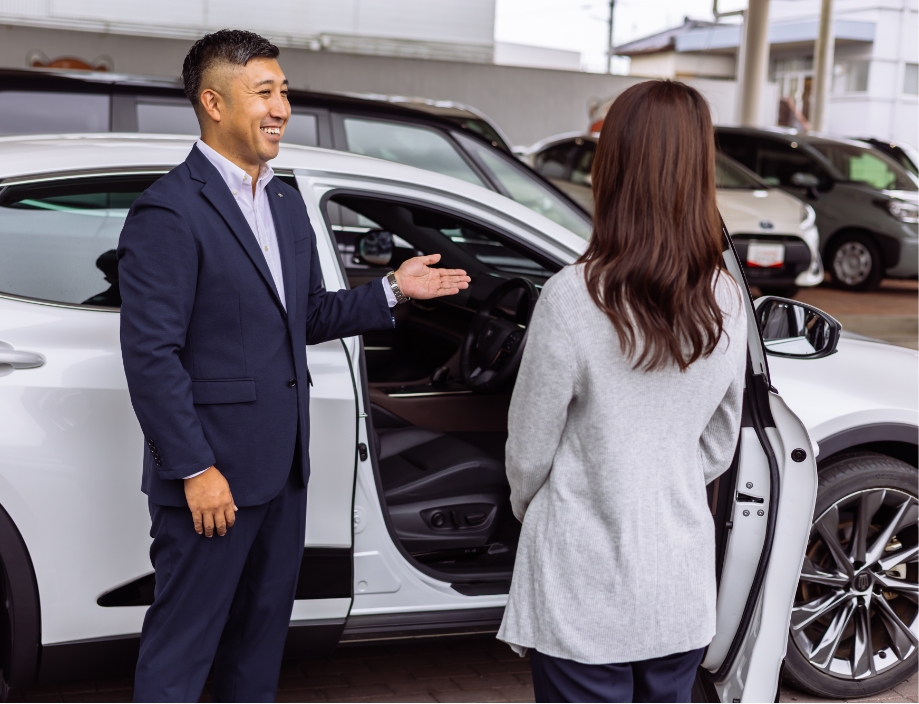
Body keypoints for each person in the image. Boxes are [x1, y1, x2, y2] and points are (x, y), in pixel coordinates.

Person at [117, 29, 469, 702]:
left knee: (258, 644)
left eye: (284, 91)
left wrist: (393, 291)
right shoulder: (169, 210)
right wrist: (194, 469)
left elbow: (302, 318)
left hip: (282, 471)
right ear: (213, 103)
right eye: (264, 92)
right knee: (184, 644)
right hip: (212, 477)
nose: (281, 106)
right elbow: (149, 355)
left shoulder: (282, 198)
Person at [496, 80, 748, 703]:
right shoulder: (726, 297)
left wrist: (542, 508)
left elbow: (528, 451)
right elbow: (720, 437)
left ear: (614, 169)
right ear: (698, 168)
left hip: (583, 585)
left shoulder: (573, 297)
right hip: (679, 584)